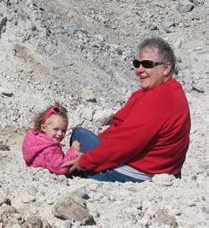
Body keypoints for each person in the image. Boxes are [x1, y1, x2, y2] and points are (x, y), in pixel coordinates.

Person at [62, 37, 191, 182]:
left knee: (80, 136)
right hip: (162, 169)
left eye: (147, 64)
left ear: (166, 68)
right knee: (92, 141)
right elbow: (121, 131)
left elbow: (125, 143)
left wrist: (85, 161)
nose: (139, 70)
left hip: (136, 173)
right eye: (137, 64)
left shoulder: (157, 100)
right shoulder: (171, 90)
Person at [22, 103, 81, 175]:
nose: (60, 133)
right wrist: (72, 151)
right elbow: (61, 169)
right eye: (56, 129)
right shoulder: (50, 150)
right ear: (43, 128)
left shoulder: (36, 138)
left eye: (63, 130)